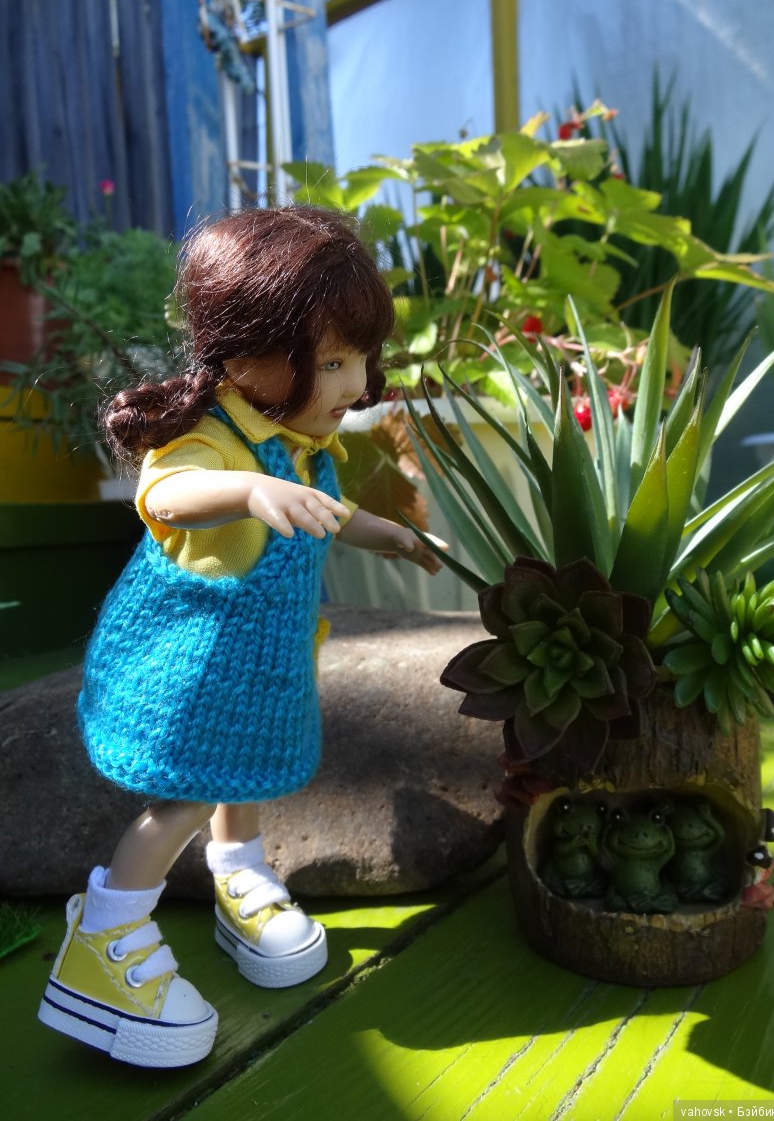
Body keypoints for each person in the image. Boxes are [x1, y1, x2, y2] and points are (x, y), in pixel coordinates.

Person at [37, 205, 446, 1068]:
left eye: (360, 359)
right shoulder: (213, 436)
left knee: (247, 769)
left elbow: (329, 512)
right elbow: (167, 496)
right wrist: (250, 492)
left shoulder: (300, 442)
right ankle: (102, 939)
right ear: (241, 352)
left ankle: (241, 872)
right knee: (185, 797)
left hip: (259, 675)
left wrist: (390, 534)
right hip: (187, 673)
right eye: (330, 362)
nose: (354, 384)